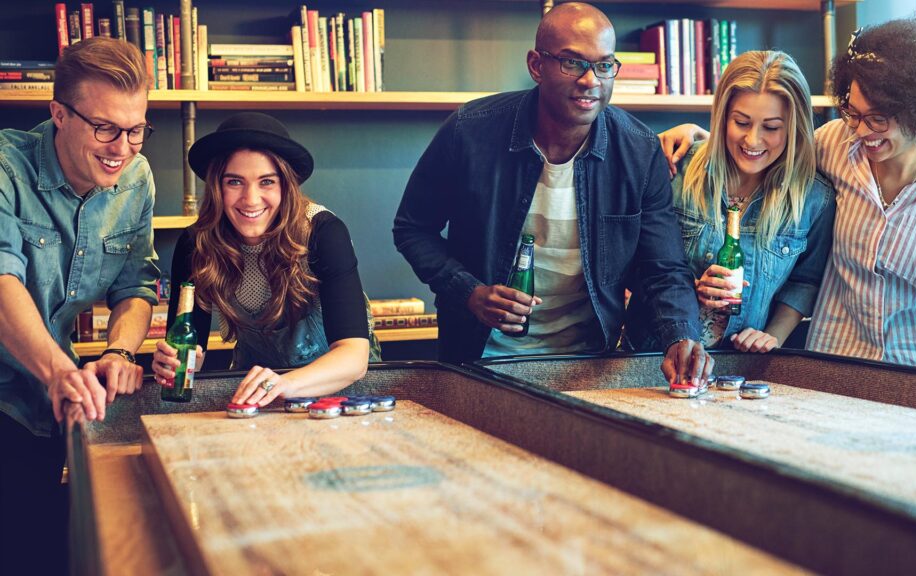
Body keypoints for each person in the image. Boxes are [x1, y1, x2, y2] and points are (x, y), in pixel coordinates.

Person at [658, 18, 916, 374]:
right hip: (842, 359)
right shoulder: (833, 143)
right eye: (852, 113)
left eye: (878, 119)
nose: (860, 131)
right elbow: (767, 148)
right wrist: (698, 136)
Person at [393, 2, 712, 385]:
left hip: (589, 365)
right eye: (572, 62)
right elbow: (413, 228)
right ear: (535, 65)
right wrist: (469, 292)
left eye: (604, 65)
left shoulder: (639, 151)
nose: (591, 80)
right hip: (478, 360)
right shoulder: (470, 130)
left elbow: (664, 268)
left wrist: (682, 335)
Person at [0, 37, 158, 573]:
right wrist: (61, 372)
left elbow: (136, 284)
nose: (123, 146)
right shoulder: (5, 168)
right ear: (58, 115)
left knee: (43, 550)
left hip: (49, 404)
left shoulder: (135, 179)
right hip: (15, 392)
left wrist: (118, 353)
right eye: (105, 128)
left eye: (135, 129)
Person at [151, 112, 377, 407]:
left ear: (286, 185)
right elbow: (190, 347)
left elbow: (354, 357)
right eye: (234, 182)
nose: (251, 199)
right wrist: (176, 362)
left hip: (338, 394)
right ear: (216, 187)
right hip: (257, 398)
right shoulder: (195, 244)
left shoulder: (323, 233)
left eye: (266, 182)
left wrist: (284, 384)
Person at [626, 51, 835, 354]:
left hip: (742, 366)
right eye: (742, 122)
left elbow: (805, 281)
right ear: (723, 116)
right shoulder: (677, 171)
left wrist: (772, 336)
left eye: (772, 127)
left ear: (793, 127)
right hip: (650, 357)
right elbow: (631, 262)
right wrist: (685, 290)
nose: (753, 140)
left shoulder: (814, 199)